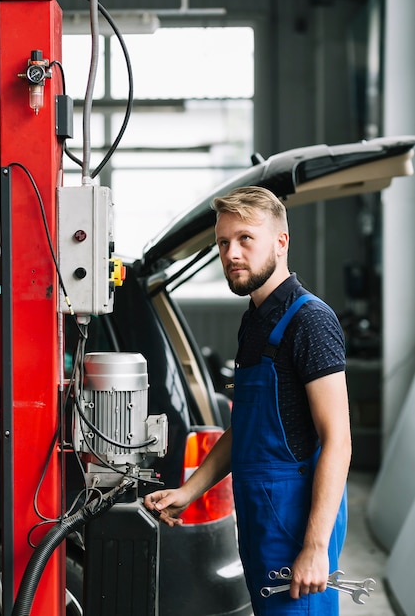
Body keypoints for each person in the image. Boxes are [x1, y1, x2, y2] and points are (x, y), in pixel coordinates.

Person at [144, 186, 352, 615]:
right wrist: (189, 491)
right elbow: (248, 431)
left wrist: (315, 548)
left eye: (245, 239)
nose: (231, 253)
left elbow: (339, 440)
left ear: (281, 242)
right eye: (223, 242)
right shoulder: (254, 322)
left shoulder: (311, 321)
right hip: (259, 519)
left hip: (298, 522)